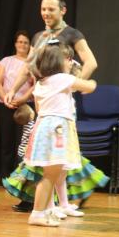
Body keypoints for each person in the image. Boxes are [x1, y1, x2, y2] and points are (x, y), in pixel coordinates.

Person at [4, 0, 99, 214]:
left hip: (61, 101)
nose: (46, 13)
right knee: (45, 151)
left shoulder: (72, 34)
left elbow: (91, 61)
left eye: (51, 9)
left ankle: (60, 200)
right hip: (44, 101)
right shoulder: (39, 36)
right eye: (43, 9)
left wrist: (74, 84)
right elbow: (29, 65)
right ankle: (41, 201)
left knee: (59, 153)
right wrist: (12, 89)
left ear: (62, 10)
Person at [20, 42, 96, 226]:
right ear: (57, 63)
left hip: (44, 127)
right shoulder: (62, 78)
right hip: (57, 131)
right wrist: (91, 81)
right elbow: (89, 87)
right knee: (50, 176)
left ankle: (46, 210)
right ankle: (37, 214)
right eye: (66, 59)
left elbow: (39, 109)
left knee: (50, 174)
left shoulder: (41, 83)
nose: (69, 62)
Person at [0, 30, 34, 177]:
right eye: (20, 42)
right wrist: (6, 98)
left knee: (23, 143)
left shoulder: (32, 63)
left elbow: (35, 84)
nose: (22, 45)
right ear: (15, 43)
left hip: (25, 106)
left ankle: (21, 176)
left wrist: (23, 99)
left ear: (30, 45)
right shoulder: (6, 60)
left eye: (26, 42)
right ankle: (6, 176)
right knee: (7, 142)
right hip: (6, 104)